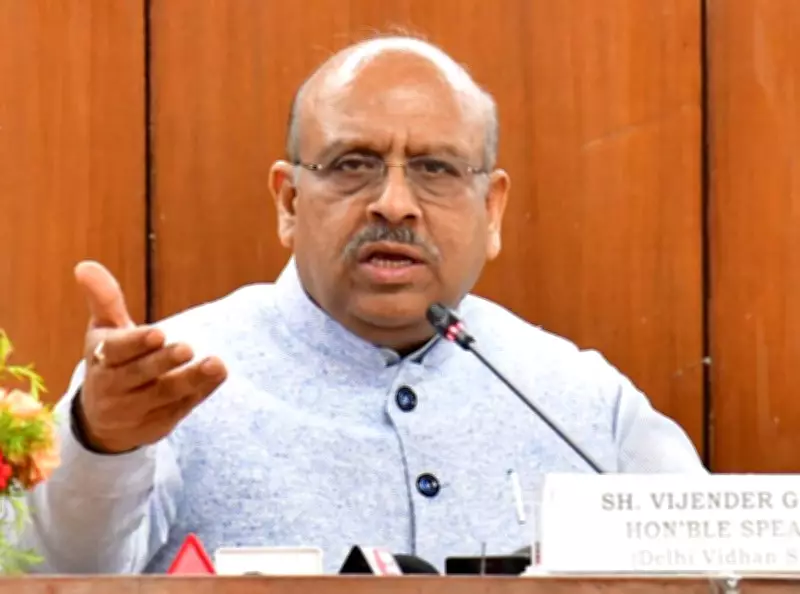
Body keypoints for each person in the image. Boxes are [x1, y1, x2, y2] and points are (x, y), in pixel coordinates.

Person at [22, 35, 705, 575]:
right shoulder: (162, 382)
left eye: (436, 169)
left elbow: (723, 558)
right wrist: (101, 445)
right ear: (290, 202)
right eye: (353, 164)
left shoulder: (579, 399)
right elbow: (45, 572)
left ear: (492, 210)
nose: (395, 203)